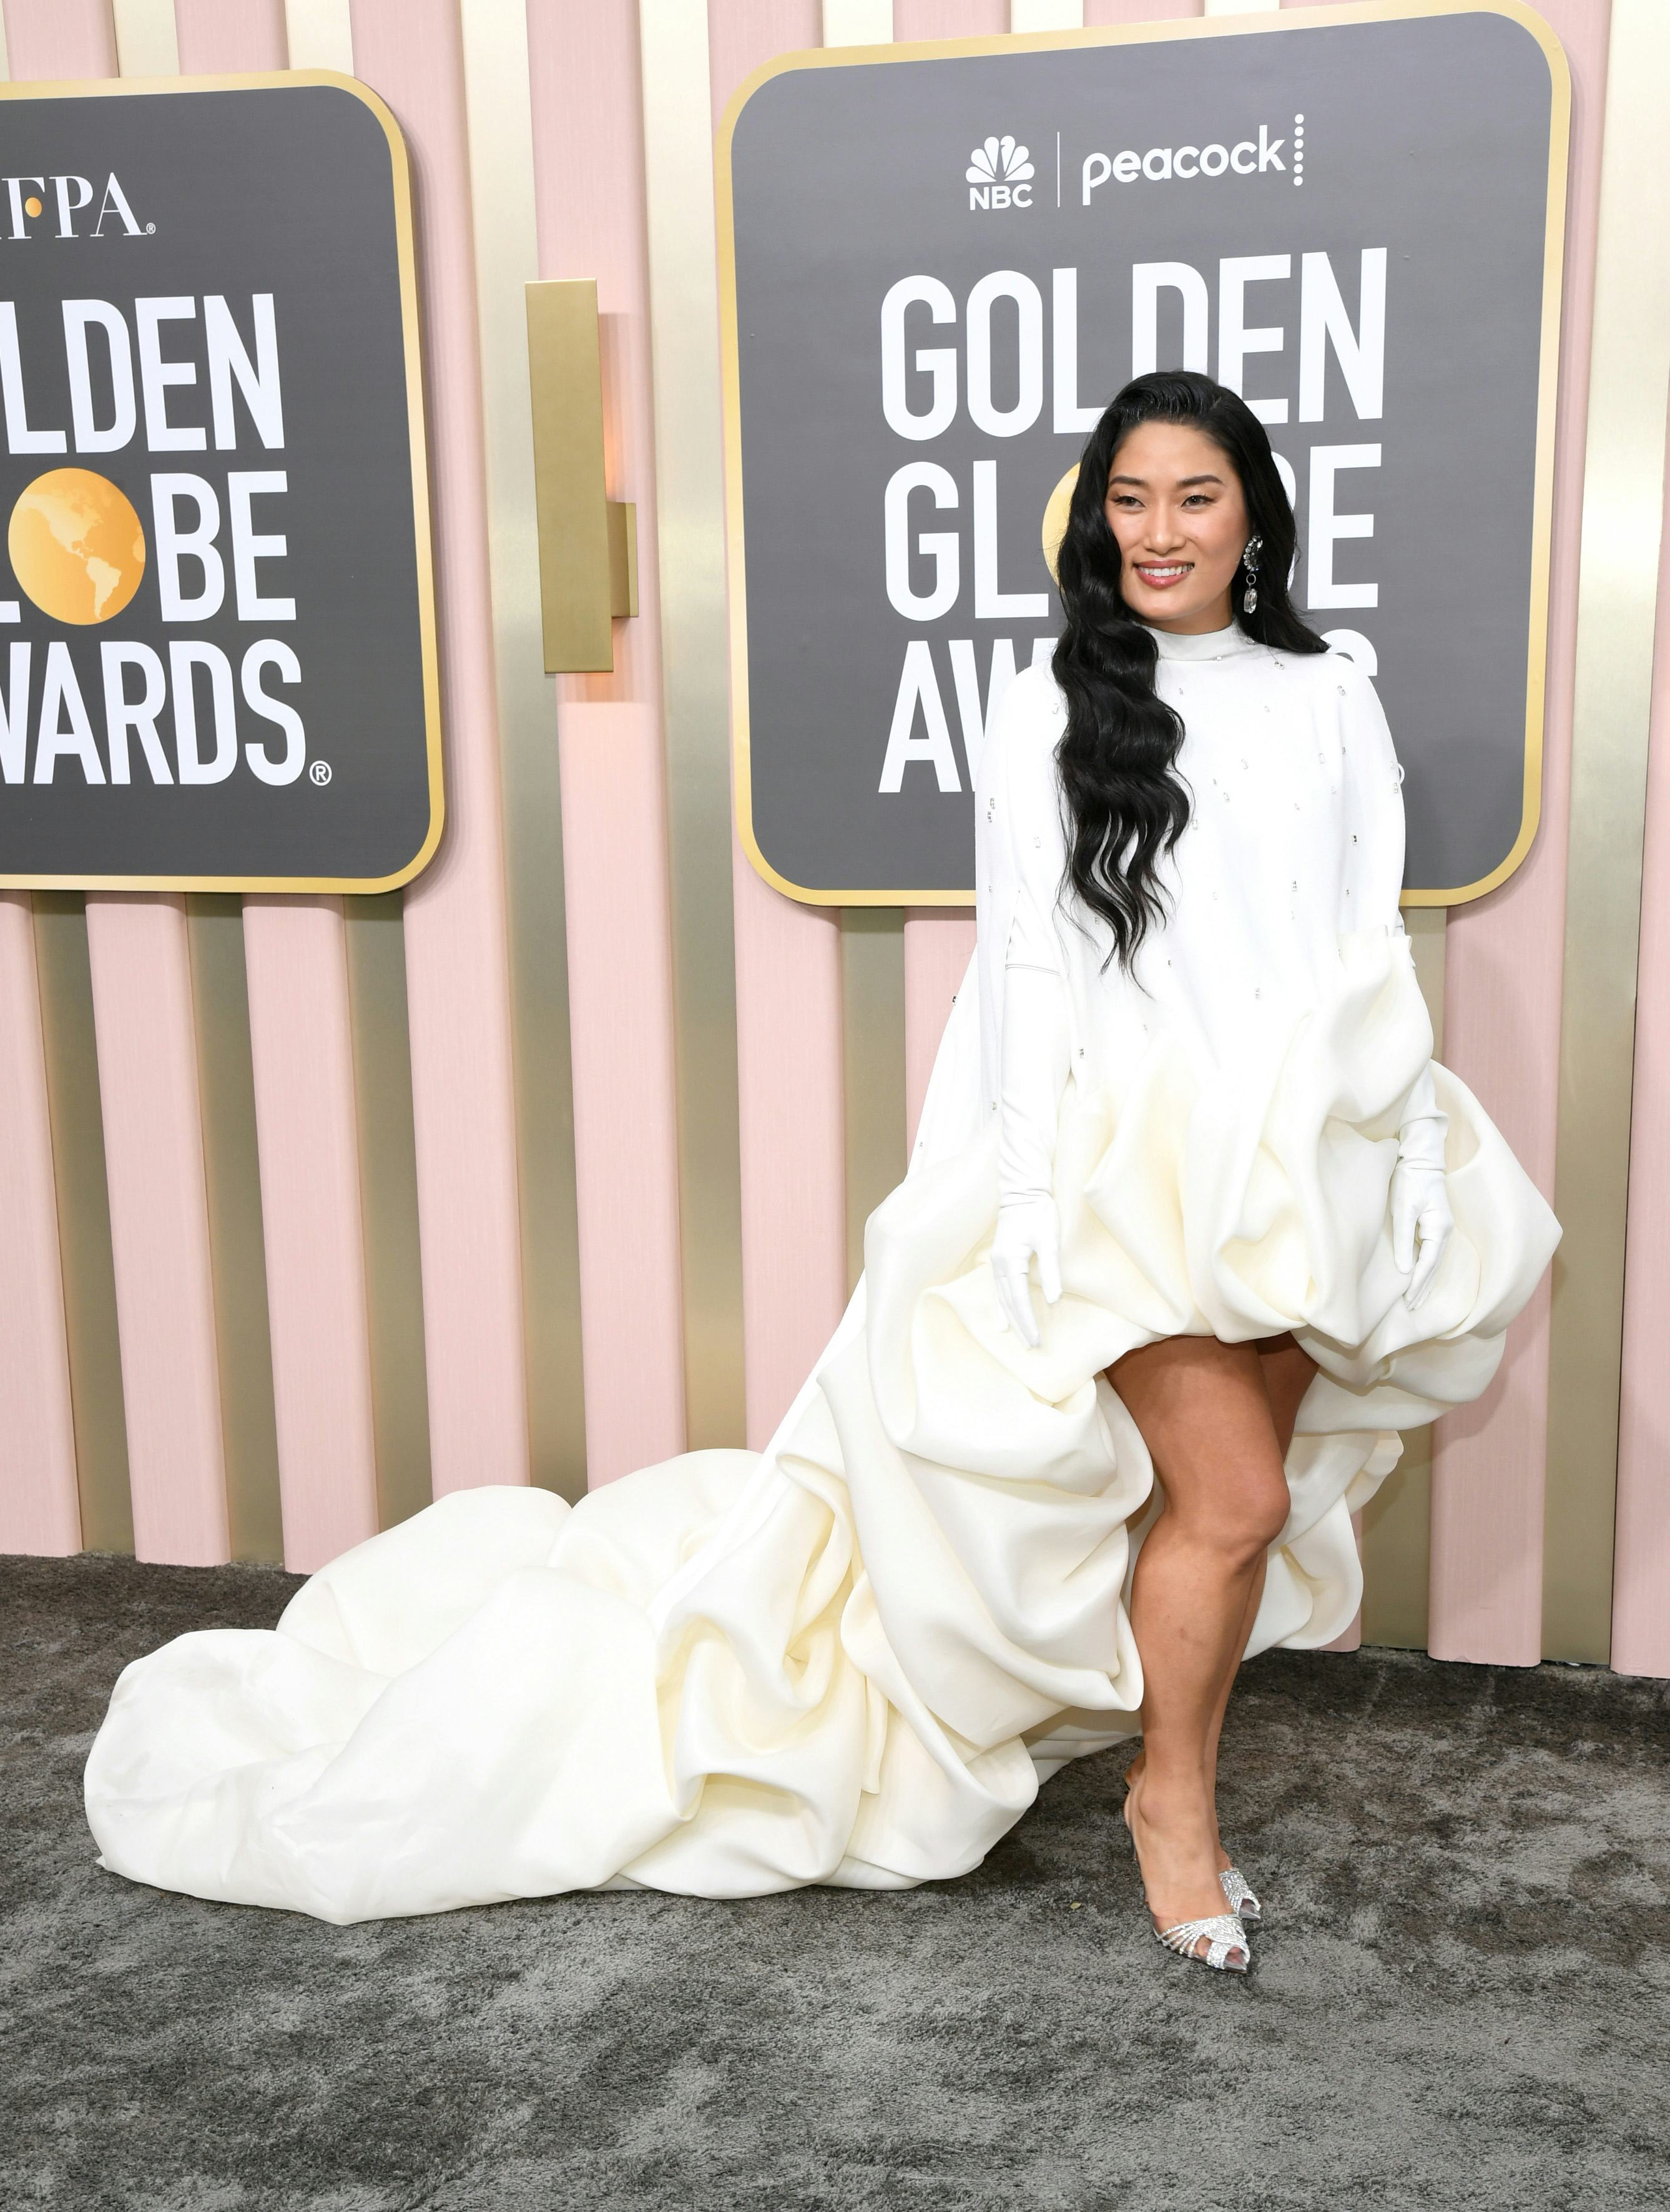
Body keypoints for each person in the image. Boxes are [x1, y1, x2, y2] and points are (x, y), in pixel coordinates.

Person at [84, 372, 1559, 1970]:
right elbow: (1030, 968)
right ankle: (1174, 1809)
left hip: (1305, 1155)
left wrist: (1408, 1146)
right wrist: (1024, 1203)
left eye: (1195, 497)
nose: (1159, 531)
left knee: (1220, 1517)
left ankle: (1150, 1750)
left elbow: (1366, 934)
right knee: (1239, 1493)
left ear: (1256, 511)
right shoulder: (1048, 701)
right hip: (1127, 1163)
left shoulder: (1334, 690)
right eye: (1129, 498)